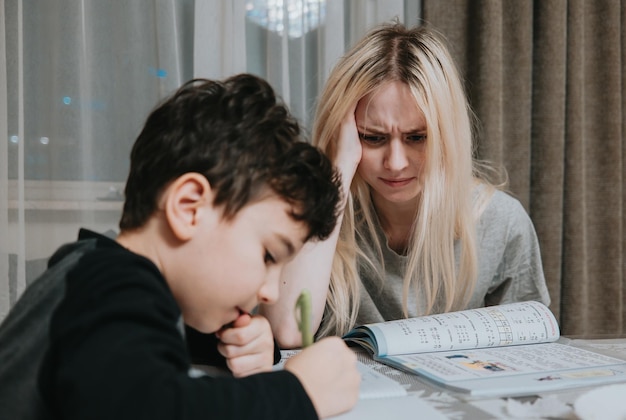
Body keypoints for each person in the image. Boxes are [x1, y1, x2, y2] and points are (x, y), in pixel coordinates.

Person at [0, 74, 360, 419]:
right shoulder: (114, 287)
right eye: (268, 255)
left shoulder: (93, 269)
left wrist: (228, 345)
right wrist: (297, 393)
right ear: (189, 208)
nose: (269, 292)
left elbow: (136, 351)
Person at [261, 22, 550, 347]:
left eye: (417, 137)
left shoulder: (502, 223)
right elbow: (288, 330)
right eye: (373, 137)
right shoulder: (311, 214)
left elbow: (532, 348)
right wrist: (337, 171)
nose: (396, 162)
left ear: (446, 135)